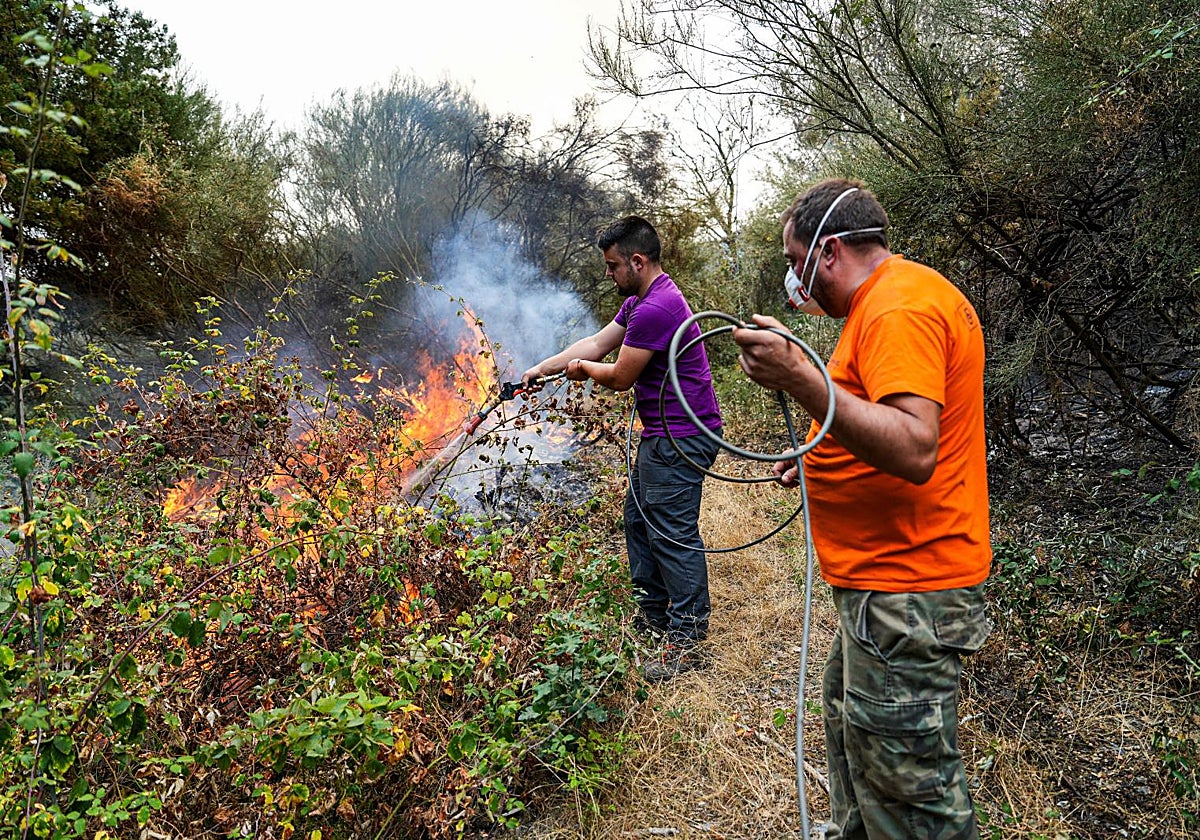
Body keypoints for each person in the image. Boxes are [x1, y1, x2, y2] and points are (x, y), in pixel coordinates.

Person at [733, 179, 992, 838]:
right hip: (882, 592)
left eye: (795, 262)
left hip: (906, 590)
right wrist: (822, 456)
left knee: (912, 795)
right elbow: (873, 417)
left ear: (830, 252)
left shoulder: (897, 309)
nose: (794, 281)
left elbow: (913, 446)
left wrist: (801, 378)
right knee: (862, 750)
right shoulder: (890, 299)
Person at [522, 215, 723, 681]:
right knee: (638, 520)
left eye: (612, 266)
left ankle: (688, 642)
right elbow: (596, 342)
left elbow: (618, 375)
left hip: (681, 438)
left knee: (671, 533)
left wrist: (582, 371)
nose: (608, 274)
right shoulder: (640, 301)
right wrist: (544, 368)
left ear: (637, 260)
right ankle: (651, 616)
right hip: (664, 434)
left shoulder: (658, 307)